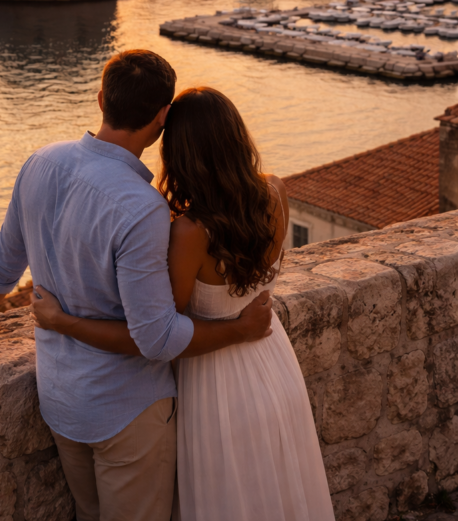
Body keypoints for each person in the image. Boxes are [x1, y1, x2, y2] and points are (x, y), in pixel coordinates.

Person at [0, 51, 273, 521]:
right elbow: (158, 339)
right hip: (127, 411)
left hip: (61, 400)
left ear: (101, 97)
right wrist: (239, 330)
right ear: (162, 118)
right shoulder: (142, 208)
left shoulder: (40, 162)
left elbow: (4, 261)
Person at [33, 86, 335, 521]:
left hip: (213, 380)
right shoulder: (274, 192)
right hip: (273, 362)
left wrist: (62, 319)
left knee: (223, 497)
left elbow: (158, 329)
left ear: (180, 154)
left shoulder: (190, 233)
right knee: (274, 488)